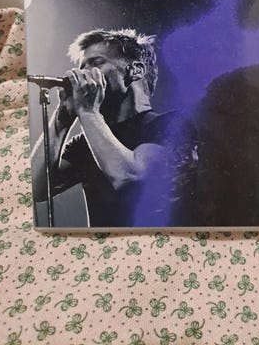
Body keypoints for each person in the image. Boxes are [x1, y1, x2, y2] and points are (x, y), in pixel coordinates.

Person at [31, 28, 198, 227]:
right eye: (82, 67)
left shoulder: (172, 124)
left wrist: (88, 112)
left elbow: (130, 179)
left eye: (97, 63)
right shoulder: (85, 143)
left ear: (136, 70)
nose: (83, 74)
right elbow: (36, 189)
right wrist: (61, 119)